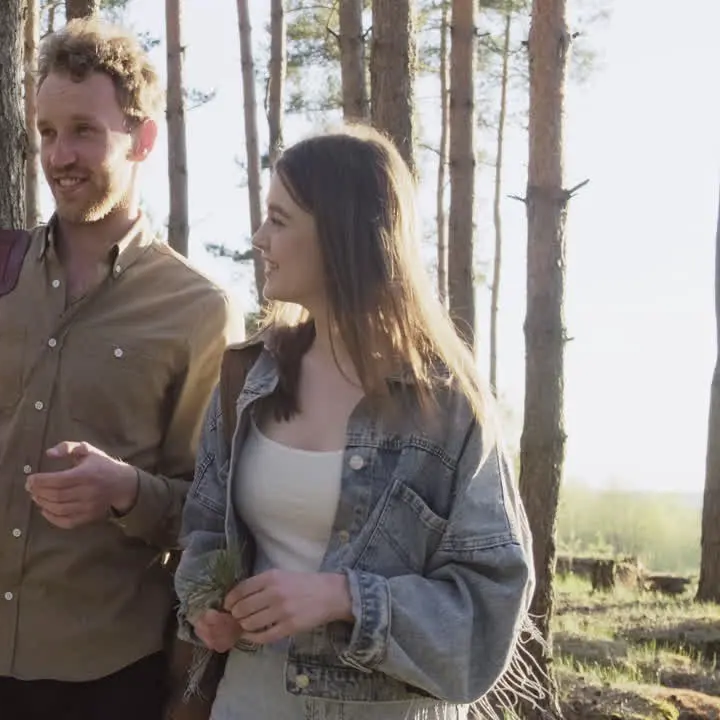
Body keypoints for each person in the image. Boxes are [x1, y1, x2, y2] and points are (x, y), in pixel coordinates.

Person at [0, 17, 245, 720]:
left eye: (85, 130)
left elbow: (212, 509)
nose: (61, 154)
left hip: (110, 668)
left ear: (143, 138)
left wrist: (126, 491)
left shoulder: (198, 309)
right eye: (48, 132)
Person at [174, 125, 536, 720]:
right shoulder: (249, 378)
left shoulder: (449, 404)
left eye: (280, 219)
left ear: (341, 233)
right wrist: (204, 607)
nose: (260, 238)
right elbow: (205, 531)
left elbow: (489, 604)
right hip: (249, 703)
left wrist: (344, 597)